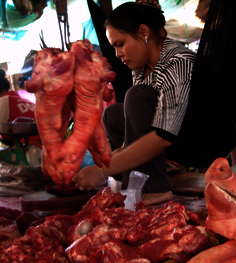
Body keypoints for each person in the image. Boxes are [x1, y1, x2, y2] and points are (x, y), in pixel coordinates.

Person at [73, 2, 196, 203]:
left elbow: (163, 136)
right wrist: (102, 165)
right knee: (113, 114)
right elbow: (133, 136)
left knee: (136, 97)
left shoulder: (178, 61)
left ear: (143, 32)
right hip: (166, 135)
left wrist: (103, 170)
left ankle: (155, 188)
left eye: (120, 44)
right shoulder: (140, 68)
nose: (117, 54)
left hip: (193, 138)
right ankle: (137, 179)